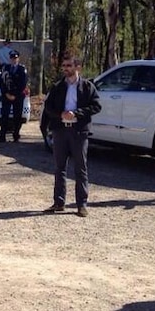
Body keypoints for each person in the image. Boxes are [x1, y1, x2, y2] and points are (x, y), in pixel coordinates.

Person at [43, 54, 101, 218]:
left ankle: (81, 204)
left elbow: (96, 106)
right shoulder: (57, 87)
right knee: (59, 167)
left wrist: (76, 113)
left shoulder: (87, 87)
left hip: (79, 131)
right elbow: (48, 107)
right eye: (64, 65)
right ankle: (59, 202)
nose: (65, 68)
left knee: (80, 168)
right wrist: (60, 114)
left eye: (69, 65)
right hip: (60, 130)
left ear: (77, 67)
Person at [0, 50, 28, 143]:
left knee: (17, 116)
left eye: (15, 58)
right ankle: (2, 136)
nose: (14, 60)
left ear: (18, 58)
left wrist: (15, 95)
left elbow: (23, 83)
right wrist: (6, 93)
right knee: (4, 116)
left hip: (18, 96)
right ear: (10, 59)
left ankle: (16, 135)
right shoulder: (5, 68)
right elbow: (2, 82)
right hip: (7, 95)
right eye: (12, 58)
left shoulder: (22, 69)